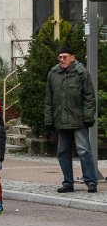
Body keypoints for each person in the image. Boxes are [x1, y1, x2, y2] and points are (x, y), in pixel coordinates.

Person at [45, 44, 98, 193]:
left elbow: (89, 97)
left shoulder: (81, 73)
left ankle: (91, 181)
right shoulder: (53, 74)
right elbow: (49, 99)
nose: (62, 59)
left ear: (73, 58)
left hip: (79, 119)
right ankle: (68, 182)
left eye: (65, 57)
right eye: (60, 57)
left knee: (84, 151)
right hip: (61, 120)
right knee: (62, 152)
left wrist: (88, 117)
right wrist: (49, 120)